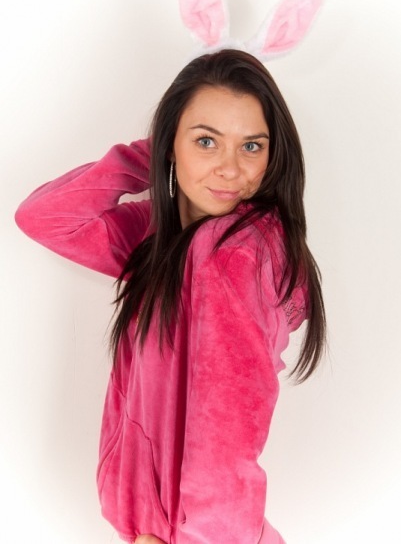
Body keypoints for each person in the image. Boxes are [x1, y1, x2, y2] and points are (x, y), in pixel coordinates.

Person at [15, 49, 326, 544]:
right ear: (171, 142)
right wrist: (153, 153)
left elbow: (226, 435)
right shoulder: (163, 238)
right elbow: (46, 217)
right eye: (207, 141)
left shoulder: (232, 255)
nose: (230, 169)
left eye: (251, 146)